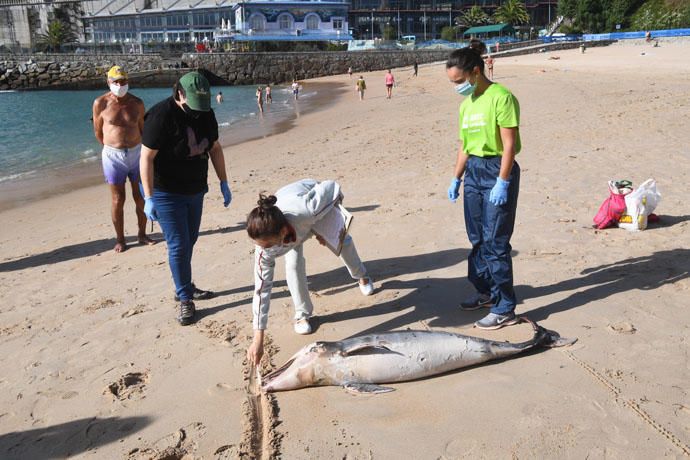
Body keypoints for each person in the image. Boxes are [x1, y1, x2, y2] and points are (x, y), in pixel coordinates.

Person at [245, 179, 375, 365]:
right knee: (293, 263)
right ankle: (302, 314)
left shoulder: (307, 208)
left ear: (281, 233)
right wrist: (258, 339)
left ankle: (361, 276)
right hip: (288, 224)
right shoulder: (263, 249)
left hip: (311, 212)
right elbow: (261, 290)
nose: (264, 250)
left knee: (342, 242)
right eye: (259, 245)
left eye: (268, 245)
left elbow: (333, 187)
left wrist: (333, 223)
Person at [139, 71, 232, 326]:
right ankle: (184, 298)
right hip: (166, 191)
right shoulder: (161, 116)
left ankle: (185, 283)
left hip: (195, 188)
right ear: (180, 93)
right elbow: (146, 158)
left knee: (190, 239)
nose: (200, 110)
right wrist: (148, 197)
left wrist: (223, 181)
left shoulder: (206, 114)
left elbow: (214, 148)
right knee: (178, 243)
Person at [445, 45, 522, 330]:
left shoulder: (501, 97)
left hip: (496, 170)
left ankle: (505, 307)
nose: (456, 88)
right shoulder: (466, 105)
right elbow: (465, 146)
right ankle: (486, 292)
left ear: (475, 72)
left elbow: (509, 145)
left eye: (458, 81)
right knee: (477, 237)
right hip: (474, 172)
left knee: (495, 242)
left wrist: (503, 182)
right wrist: (456, 177)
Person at [92, 65, 154, 253]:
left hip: (136, 152)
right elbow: (98, 132)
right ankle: (120, 239)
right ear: (108, 82)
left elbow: (144, 129)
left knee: (141, 196)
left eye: (123, 81)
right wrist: (112, 146)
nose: (120, 84)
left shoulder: (137, 103)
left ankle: (142, 234)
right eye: (116, 81)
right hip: (113, 156)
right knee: (118, 199)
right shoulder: (100, 103)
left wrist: (145, 152)